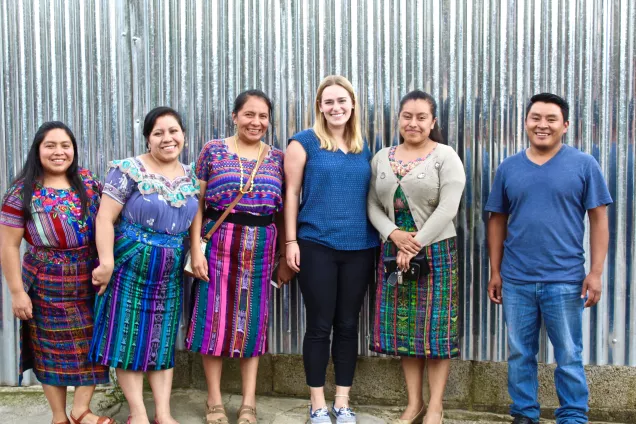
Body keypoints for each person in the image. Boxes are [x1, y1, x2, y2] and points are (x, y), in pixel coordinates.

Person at [485, 93, 612, 424]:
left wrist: (596, 273)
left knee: (569, 355)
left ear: (566, 125)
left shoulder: (584, 165)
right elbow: (496, 220)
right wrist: (495, 271)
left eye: (551, 119)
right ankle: (524, 414)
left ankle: (572, 416)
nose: (542, 125)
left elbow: (599, 220)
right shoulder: (509, 167)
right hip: (516, 280)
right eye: (535, 118)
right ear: (526, 122)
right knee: (519, 354)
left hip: (566, 280)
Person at [186, 89, 293, 424]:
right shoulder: (213, 151)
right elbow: (196, 205)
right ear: (235, 116)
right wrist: (195, 251)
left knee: (252, 323)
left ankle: (249, 401)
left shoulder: (277, 157)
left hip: (261, 249)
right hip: (218, 244)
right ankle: (214, 400)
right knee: (212, 322)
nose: (256, 122)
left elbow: (283, 210)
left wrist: (283, 254)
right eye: (249, 114)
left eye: (262, 116)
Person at [89, 107, 200, 424]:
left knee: (162, 340)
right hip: (130, 266)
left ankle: (163, 414)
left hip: (169, 272)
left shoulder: (190, 176)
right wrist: (107, 262)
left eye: (174, 131)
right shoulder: (128, 171)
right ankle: (137, 413)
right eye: (159, 133)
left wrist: (196, 251)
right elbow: (105, 218)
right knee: (127, 337)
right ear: (148, 139)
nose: (168, 138)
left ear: (183, 135)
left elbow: (195, 220)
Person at [0, 121, 113, 424]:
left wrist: (107, 263)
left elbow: (108, 223)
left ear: (74, 150)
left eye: (65, 145)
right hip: (44, 282)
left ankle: (81, 410)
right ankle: (58, 417)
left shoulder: (89, 183)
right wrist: (16, 292)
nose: (59, 152)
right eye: (50, 145)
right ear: (38, 150)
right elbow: (9, 246)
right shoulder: (21, 193)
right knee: (50, 349)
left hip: (88, 279)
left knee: (91, 342)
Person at [285, 75, 379, 423]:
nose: (336, 107)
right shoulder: (304, 143)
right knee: (320, 325)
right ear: (319, 107)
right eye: (329, 102)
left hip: (360, 246)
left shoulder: (362, 146)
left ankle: (342, 402)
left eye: (342, 101)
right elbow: (291, 194)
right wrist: (290, 241)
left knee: (348, 324)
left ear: (352, 104)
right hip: (316, 244)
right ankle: (317, 405)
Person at [367, 90, 465, 424]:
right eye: (407, 116)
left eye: (421, 117)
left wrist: (415, 243)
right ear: (399, 119)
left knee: (435, 331)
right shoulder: (383, 156)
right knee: (406, 331)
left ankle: (436, 406)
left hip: (435, 252)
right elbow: (371, 205)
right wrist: (394, 236)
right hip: (393, 253)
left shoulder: (445, 156)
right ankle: (414, 404)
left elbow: (449, 207)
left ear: (432, 122)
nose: (413, 123)